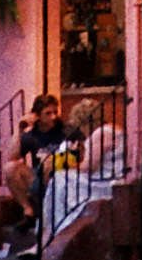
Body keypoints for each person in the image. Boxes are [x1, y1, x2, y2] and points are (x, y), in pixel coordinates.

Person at [40, 99, 128, 245]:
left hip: (103, 182)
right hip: (109, 178)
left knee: (59, 178)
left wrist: (66, 165)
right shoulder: (113, 129)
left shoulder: (101, 133)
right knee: (62, 179)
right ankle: (53, 227)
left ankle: (52, 229)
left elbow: (89, 167)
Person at [3, 95, 64, 228]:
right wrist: (19, 129)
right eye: (48, 113)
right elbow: (12, 156)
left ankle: (45, 216)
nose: (53, 117)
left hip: (61, 180)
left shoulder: (64, 129)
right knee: (10, 168)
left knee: (48, 163)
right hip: (39, 180)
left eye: (55, 112)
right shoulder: (32, 135)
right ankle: (28, 212)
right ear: (37, 115)